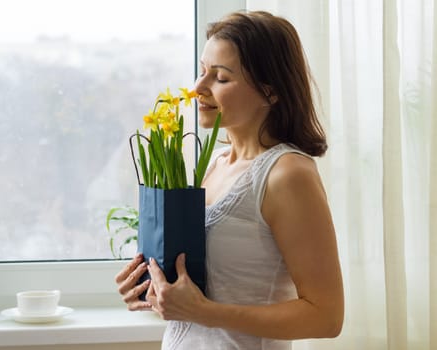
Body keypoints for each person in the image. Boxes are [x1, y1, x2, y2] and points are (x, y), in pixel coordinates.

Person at [115, 10, 344, 350]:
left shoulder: (287, 174)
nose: (198, 89)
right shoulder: (215, 166)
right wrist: (152, 289)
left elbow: (326, 317)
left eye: (220, 78)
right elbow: (207, 292)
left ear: (271, 93)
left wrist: (207, 312)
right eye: (202, 72)